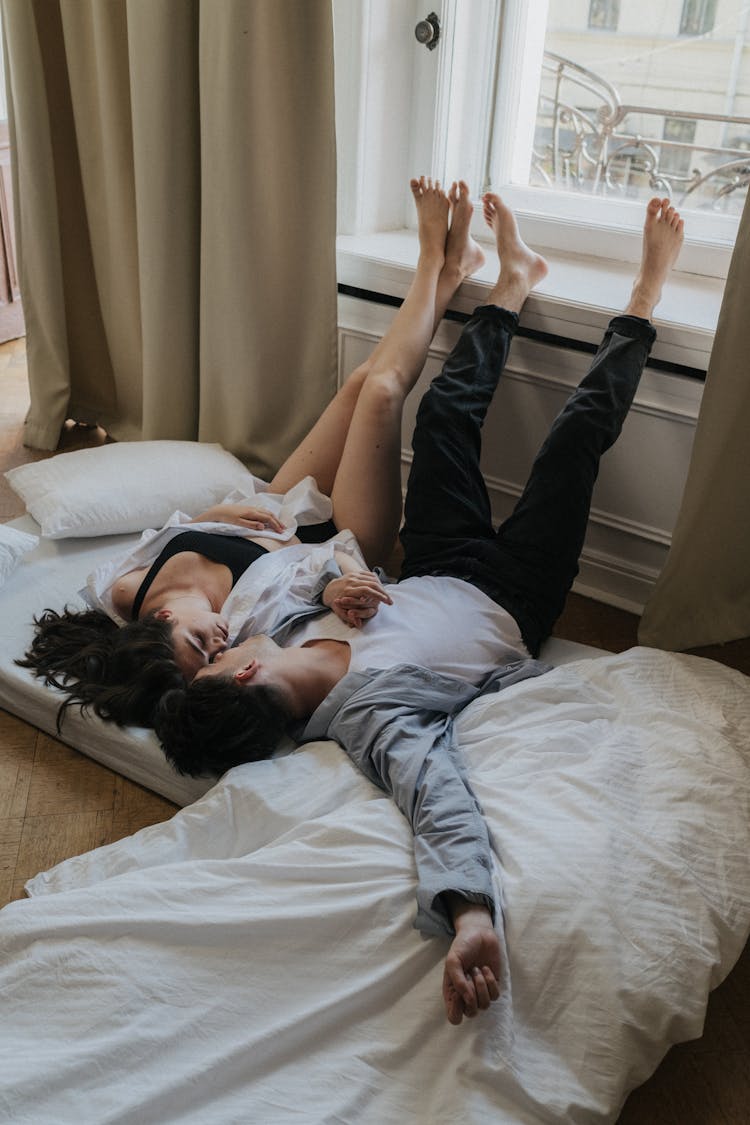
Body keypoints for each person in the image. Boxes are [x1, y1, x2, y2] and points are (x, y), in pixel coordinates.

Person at [154, 194, 685, 1025]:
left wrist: (332, 584)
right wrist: (470, 914)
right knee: (575, 436)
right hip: (515, 593)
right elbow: (437, 798)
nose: (216, 646)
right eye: (216, 660)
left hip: (438, 558)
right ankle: (646, 295)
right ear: (243, 673)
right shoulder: (369, 720)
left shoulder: (275, 629)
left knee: (440, 414)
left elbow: (300, 565)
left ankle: (512, 285)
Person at [19, 178, 485, 726]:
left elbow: (164, 533)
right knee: (383, 392)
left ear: (161, 616)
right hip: (340, 535)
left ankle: (448, 270)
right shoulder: (245, 632)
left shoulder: (123, 591)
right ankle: (434, 260)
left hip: (281, 501)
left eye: (198, 641)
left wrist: (212, 517)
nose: (217, 644)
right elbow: (315, 583)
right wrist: (337, 582)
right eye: (213, 658)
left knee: (361, 382)